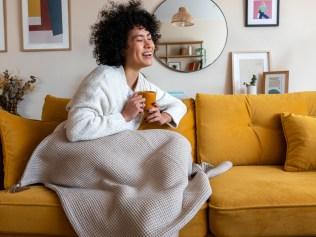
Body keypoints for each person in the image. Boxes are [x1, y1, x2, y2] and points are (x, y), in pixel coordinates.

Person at [65, 0, 186, 142]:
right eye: (140, 40)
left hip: (116, 149)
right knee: (175, 143)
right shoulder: (103, 77)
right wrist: (125, 116)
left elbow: (178, 105)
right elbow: (76, 130)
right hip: (79, 150)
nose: (149, 45)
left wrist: (164, 116)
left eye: (149, 38)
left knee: (176, 141)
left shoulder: (144, 85)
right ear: (122, 47)